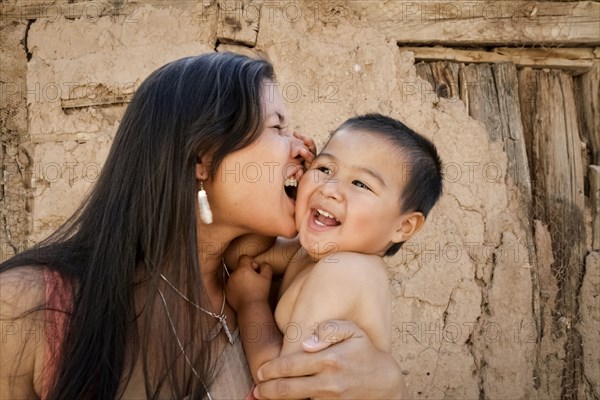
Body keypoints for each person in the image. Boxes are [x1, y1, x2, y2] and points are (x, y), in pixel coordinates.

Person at [0, 53, 406, 399]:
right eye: (279, 128)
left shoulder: (281, 292)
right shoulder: (28, 311)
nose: (307, 148)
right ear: (203, 159)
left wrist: (389, 384)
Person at [225, 114, 443, 397]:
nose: (329, 189)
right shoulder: (307, 253)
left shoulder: (346, 272)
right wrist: (288, 194)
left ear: (404, 226)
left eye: (360, 184)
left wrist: (251, 303)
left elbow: (282, 382)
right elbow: (239, 258)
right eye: (325, 169)